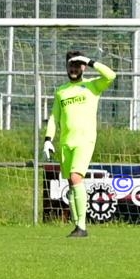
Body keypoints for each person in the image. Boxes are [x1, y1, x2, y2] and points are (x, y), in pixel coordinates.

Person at [43, 51, 116, 238]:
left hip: (85, 140)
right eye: (71, 65)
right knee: (71, 182)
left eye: (78, 65)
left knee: (76, 178)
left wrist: (90, 61)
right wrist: (48, 139)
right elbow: (54, 117)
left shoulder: (92, 86)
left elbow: (111, 75)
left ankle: (82, 227)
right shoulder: (61, 91)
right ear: (66, 67)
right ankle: (77, 226)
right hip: (66, 142)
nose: (74, 69)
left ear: (83, 67)